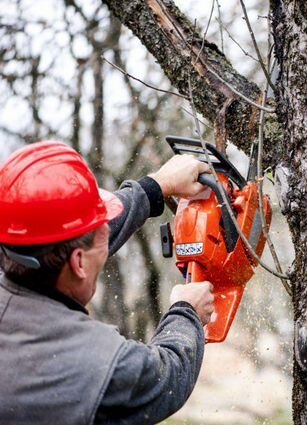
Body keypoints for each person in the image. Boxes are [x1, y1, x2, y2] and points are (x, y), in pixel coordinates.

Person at [0, 141, 215, 425]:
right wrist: (186, 312)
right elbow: (167, 376)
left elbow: (61, 236)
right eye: (101, 235)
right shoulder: (97, 366)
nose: (107, 235)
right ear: (78, 263)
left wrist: (157, 186)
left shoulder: (18, 252)